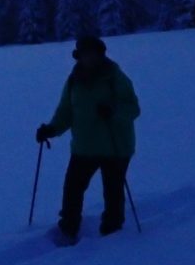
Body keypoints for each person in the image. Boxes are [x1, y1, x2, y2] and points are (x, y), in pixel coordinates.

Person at [35, 35, 140, 245]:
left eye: (92, 53)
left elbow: (133, 108)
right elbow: (66, 111)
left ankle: (112, 231)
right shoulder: (74, 80)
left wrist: (113, 110)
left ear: (101, 54)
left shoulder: (115, 77)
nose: (88, 58)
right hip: (84, 146)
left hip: (115, 145)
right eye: (83, 54)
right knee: (73, 188)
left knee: (113, 191)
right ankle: (68, 228)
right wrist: (51, 129)